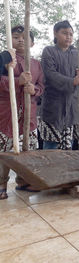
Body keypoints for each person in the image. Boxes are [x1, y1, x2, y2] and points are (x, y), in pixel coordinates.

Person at [0, 25, 44, 199]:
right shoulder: (5, 59)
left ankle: (23, 180)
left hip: (29, 114)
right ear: (10, 40)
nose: (21, 40)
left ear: (32, 43)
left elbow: (42, 86)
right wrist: (17, 81)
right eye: (16, 37)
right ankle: (1, 183)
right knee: (5, 149)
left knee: (28, 149)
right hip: (6, 113)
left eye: (25, 37)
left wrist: (34, 90)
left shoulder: (37, 65)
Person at [39, 20, 79, 150]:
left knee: (67, 148)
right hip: (53, 108)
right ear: (55, 33)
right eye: (64, 33)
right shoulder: (48, 51)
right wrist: (72, 81)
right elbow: (50, 75)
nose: (68, 37)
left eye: (71, 34)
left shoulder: (77, 54)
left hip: (71, 108)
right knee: (51, 148)